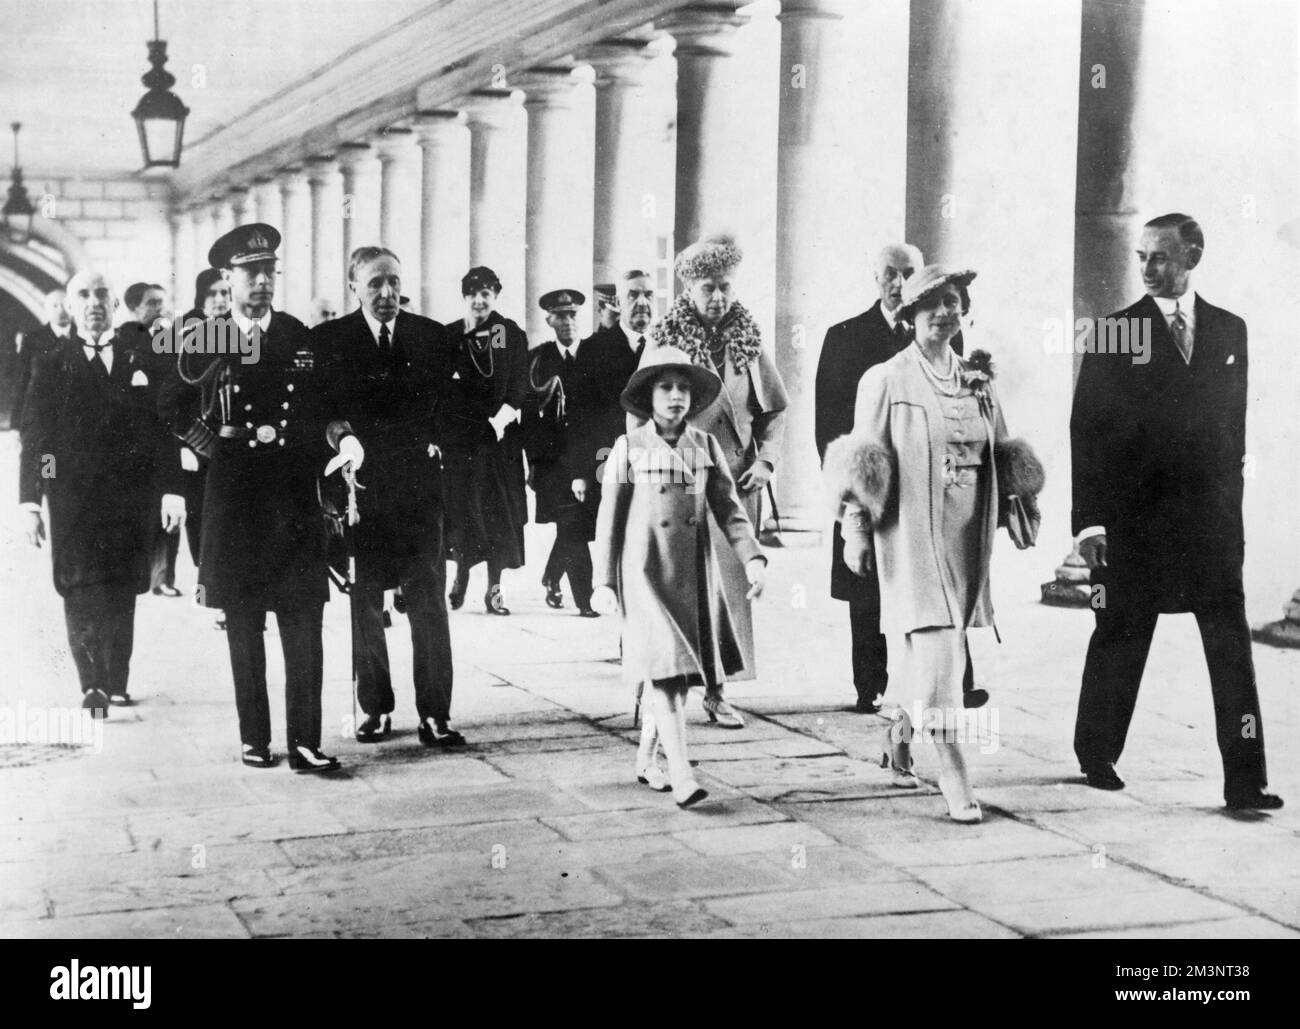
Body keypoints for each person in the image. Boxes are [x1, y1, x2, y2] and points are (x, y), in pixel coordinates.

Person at [1070, 213, 1281, 810]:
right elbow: (1087, 432)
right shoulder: (1115, 332)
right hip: (1133, 526)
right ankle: (1097, 752)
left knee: (1230, 649)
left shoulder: (1230, 330)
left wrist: (1232, 517)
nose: (1146, 269)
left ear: (1193, 255)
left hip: (1211, 529)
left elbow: (1232, 435)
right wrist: (1089, 522)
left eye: (1159, 257)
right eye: (1141, 257)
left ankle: (1247, 778)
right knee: (1121, 634)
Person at [828, 265, 1042, 823]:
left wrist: (1022, 501)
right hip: (910, 534)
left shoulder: (977, 378)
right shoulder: (886, 379)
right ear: (910, 316)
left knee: (928, 652)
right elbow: (865, 461)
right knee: (943, 652)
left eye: (952, 302)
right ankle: (953, 773)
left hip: (966, 533)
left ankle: (898, 734)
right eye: (931, 305)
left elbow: (1001, 447)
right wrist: (855, 530)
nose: (944, 312)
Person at [159, 223, 363, 773]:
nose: (262, 283)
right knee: (244, 619)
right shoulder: (208, 336)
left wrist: (342, 438)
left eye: (270, 273)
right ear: (228, 279)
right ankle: (255, 737)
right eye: (251, 274)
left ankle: (305, 742)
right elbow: (171, 404)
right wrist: (211, 450)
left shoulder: (299, 334)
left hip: (294, 491)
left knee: (304, 615)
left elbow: (324, 406)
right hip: (235, 491)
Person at [592, 346, 767, 808]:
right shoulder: (627, 448)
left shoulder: (705, 446)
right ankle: (684, 776)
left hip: (691, 574)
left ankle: (648, 760)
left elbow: (729, 510)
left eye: (684, 388)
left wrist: (752, 558)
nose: (676, 397)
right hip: (644, 573)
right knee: (667, 673)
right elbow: (608, 521)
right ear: (648, 396)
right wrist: (603, 583)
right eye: (666, 388)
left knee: (672, 674)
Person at [636, 235, 788, 729]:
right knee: (676, 584)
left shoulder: (748, 340)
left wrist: (766, 461)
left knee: (728, 588)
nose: (718, 297)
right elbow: (639, 412)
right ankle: (659, 685)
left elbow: (775, 410)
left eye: (724, 286)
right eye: (708, 288)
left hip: (737, 481)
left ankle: (720, 689)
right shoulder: (664, 339)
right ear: (688, 289)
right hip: (680, 478)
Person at [315, 246, 463, 748]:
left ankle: (435, 714)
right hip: (361, 491)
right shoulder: (330, 342)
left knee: (428, 600)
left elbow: (451, 404)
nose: (386, 293)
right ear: (354, 285)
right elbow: (323, 412)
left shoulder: (432, 337)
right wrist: (342, 438)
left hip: (421, 490)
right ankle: (374, 707)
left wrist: (442, 437)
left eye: (394, 282)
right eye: (375, 283)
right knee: (365, 600)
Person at [19, 271, 183, 713]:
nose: (93, 303)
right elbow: (39, 437)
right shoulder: (51, 361)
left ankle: (116, 679)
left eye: (101, 295)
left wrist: (172, 491)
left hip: (132, 497)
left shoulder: (142, 356)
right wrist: (39, 494)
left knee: (122, 588)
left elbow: (163, 429)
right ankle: (90, 682)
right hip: (72, 499)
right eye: (83, 296)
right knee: (79, 588)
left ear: (114, 306)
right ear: (70, 307)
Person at [525, 289, 626, 617]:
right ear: (549, 320)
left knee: (579, 524)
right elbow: (530, 417)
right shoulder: (539, 361)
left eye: (572, 315)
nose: (567, 322)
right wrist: (534, 463)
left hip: (591, 455)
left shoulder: (594, 353)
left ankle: (551, 576)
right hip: (554, 462)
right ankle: (584, 600)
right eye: (560, 316)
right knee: (570, 524)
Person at [440, 266, 530, 614]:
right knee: (465, 511)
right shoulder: (451, 336)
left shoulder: (506, 333)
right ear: (464, 297)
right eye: (473, 293)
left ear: (495, 296)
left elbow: (518, 382)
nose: (479, 300)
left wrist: (502, 418)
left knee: (498, 514)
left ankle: (495, 588)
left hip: (499, 438)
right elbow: (442, 388)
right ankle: (462, 572)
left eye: (486, 293)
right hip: (462, 441)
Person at [122, 281, 184, 599]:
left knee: (171, 500)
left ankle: (164, 577)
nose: (160, 309)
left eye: (163, 302)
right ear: (134, 309)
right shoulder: (123, 340)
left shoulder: (175, 340)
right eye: (152, 303)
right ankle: (140, 571)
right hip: (133, 440)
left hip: (166, 434)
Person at [172, 270, 233, 580]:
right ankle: (209, 592)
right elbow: (169, 401)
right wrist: (202, 445)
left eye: (225, 292)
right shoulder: (188, 337)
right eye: (213, 293)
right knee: (201, 521)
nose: (221, 299)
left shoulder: (242, 332)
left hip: (236, 446)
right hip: (200, 449)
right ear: (201, 298)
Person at [13, 290, 73, 432]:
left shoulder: (84, 336)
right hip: (44, 416)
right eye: (55, 306)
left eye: (65, 305)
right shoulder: (33, 339)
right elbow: (23, 380)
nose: (61, 310)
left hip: (77, 417)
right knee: (48, 455)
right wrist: (15, 424)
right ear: (46, 309)